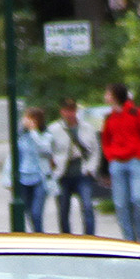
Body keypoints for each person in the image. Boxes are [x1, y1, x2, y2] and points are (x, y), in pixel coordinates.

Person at [100, 82, 140, 243]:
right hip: (117, 163)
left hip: (136, 162)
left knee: (138, 199)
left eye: (107, 93)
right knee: (120, 204)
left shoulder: (136, 113)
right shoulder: (110, 117)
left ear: (115, 95)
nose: (105, 96)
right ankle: (128, 239)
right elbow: (106, 139)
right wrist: (110, 155)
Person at [45, 98, 98, 235]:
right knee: (63, 208)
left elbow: (95, 150)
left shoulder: (87, 128)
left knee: (87, 206)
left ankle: (90, 237)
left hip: (82, 171)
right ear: (62, 112)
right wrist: (53, 168)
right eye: (67, 111)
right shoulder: (54, 129)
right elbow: (48, 151)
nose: (70, 114)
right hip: (63, 173)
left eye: (72, 110)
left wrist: (91, 168)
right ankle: (66, 237)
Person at [10, 106, 50, 232]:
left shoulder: (45, 136)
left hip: (40, 178)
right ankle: (34, 237)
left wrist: (34, 131)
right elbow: (13, 157)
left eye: (29, 118)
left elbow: (45, 149)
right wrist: (9, 179)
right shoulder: (21, 136)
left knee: (36, 213)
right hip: (23, 178)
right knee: (27, 213)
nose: (25, 121)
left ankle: (40, 238)